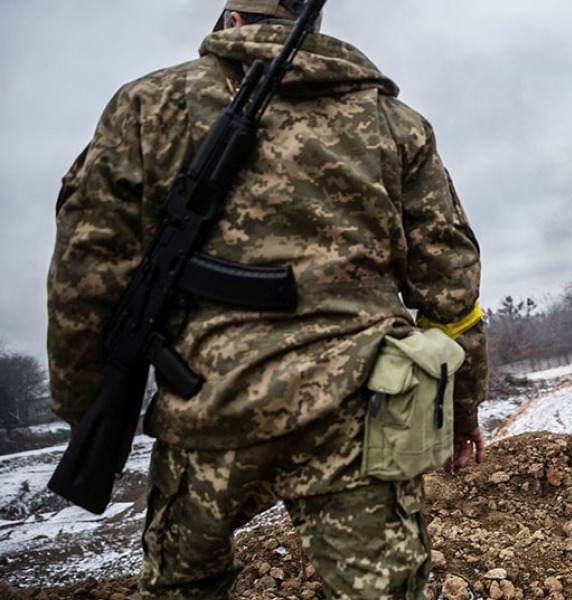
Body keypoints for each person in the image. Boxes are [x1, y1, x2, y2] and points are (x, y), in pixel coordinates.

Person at [47, 1, 488, 598]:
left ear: (231, 22)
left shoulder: (148, 106)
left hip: (205, 409)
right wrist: (461, 411)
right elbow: (451, 290)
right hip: (361, 417)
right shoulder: (396, 124)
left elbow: (85, 280)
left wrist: (85, 409)